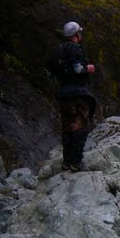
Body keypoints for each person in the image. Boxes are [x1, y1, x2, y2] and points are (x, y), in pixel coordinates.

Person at [46, 21, 98, 172]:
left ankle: (66, 162)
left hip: (62, 94)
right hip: (77, 94)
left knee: (67, 127)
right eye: (79, 33)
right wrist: (88, 68)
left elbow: (49, 70)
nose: (80, 35)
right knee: (80, 127)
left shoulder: (58, 50)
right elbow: (78, 69)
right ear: (76, 35)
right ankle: (76, 163)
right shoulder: (74, 48)